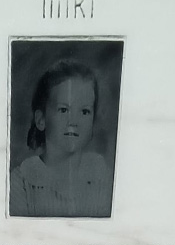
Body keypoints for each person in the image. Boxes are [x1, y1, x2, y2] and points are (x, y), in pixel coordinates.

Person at [10, 59, 113, 218]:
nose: (74, 122)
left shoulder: (101, 177)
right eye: (63, 110)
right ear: (41, 120)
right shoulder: (22, 182)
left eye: (84, 112)